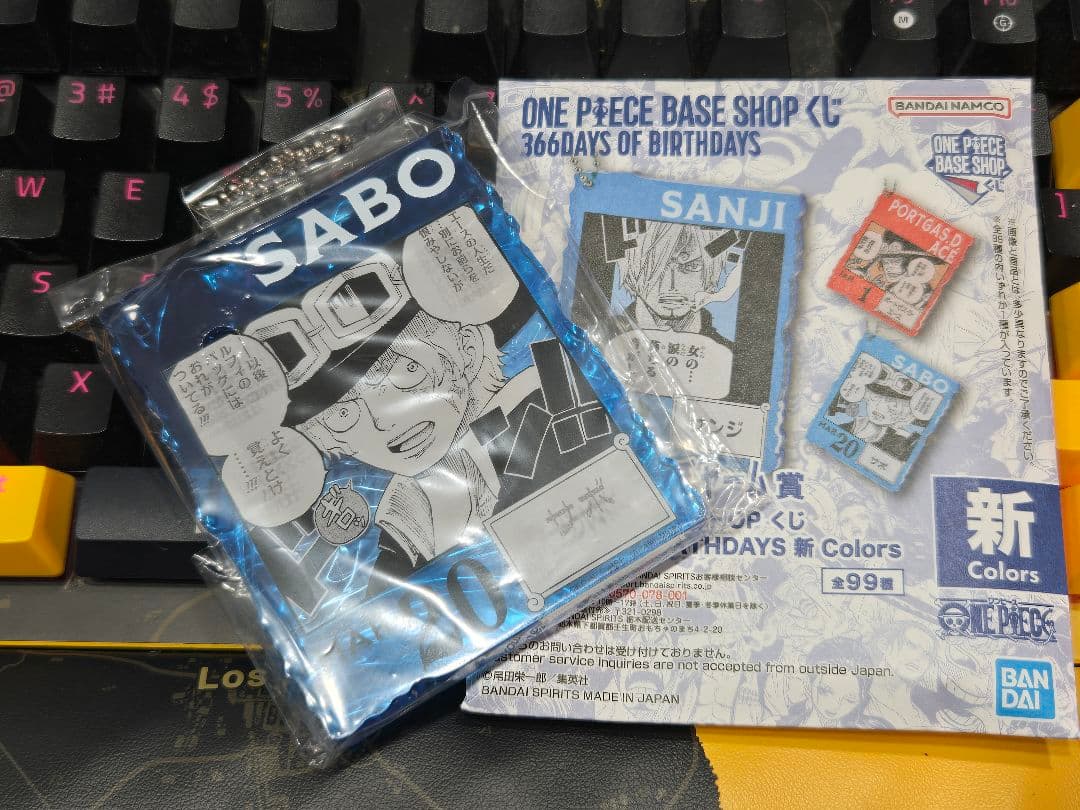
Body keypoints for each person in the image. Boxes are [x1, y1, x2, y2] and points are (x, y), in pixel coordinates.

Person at [619, 222, 742, 346]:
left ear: (712, 271)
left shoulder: (726, 351)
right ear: (629, 269)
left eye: (692, 266)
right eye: (654, 268)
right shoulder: (610, 337)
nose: (672, 286)